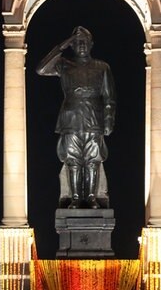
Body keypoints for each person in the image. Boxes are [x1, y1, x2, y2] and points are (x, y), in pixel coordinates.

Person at [36, 26, 116, 209]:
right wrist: (63, 44)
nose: (81, 46)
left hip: (94, 117)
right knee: (72, 160)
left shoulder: (102, 67)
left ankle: (91, 197)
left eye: (85, 42)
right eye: (78, 42)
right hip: (70, 118)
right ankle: (75, 198)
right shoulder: (64, 65)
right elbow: (41, 68)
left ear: (91, 44)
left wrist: (109, 120)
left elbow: (109, 97)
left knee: (93, 160)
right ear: (72, 45)